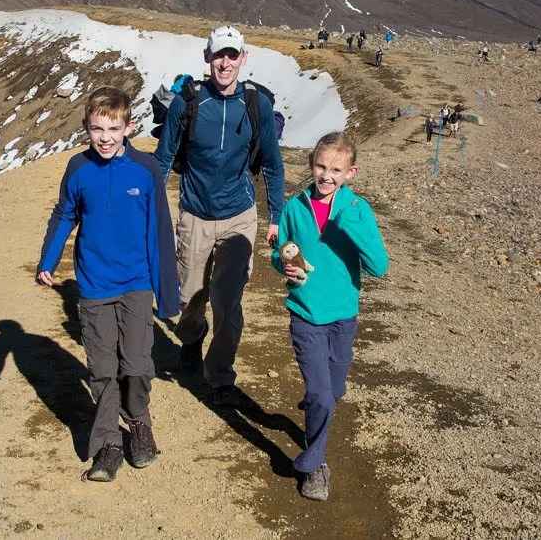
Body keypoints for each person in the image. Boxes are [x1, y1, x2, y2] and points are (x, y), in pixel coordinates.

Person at [37, 87, 178, 482]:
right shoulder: (78, 168)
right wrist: (48, 259)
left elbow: (159, 232)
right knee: (101, 368)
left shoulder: (146, 169)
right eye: (96, 128)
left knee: (135, 364)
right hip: (95, 284)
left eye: (112, 128)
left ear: (128, 127)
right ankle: (107, 446)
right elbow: (64, 215)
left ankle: (139, 422)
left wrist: (166, 293)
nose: (104, 137)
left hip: (136, 282)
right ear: (85, 127)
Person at [155, 25, 286, 407]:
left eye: (232, 55)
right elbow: (164, 158)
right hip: (195, 214)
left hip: (239, 216)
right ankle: (192, 338)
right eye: (218, 55)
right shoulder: (187, 102)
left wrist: (276, 217)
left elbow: (274, 166)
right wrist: (151, 208)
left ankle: (221, 376)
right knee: (188, 298)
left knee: (228, 301)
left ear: (243, 59)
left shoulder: (256, 104)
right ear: (207, 58)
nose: (225, 63)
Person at [271, 132, 388, 501]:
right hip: (305, 313)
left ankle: (317, 402)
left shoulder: (357, 211)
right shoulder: (294, 206)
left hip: (343, 317)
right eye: (321, 166)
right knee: (323, 395)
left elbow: (378, 267)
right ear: (311, 165)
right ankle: (314, 466)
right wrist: (285, 266)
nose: (326, 175)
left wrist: (347, 224)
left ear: (351, 173)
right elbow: (283, 251)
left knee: (333, 392)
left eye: (336, 169)